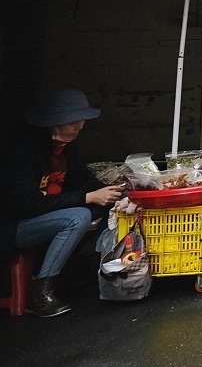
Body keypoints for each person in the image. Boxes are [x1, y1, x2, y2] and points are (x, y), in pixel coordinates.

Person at [1, 89, 121, 317]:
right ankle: (39, 293)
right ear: (54, 123)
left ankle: (81, 271)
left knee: (108, 207)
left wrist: (107, 192)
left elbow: (81, 179)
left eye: (81, 121)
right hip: (14, 226)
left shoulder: (66, 146)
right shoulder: (22, 151)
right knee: (79, 216)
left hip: (48, 214)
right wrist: (86, 197)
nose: (79, 127)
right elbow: (26, 204)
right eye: (73, 122)